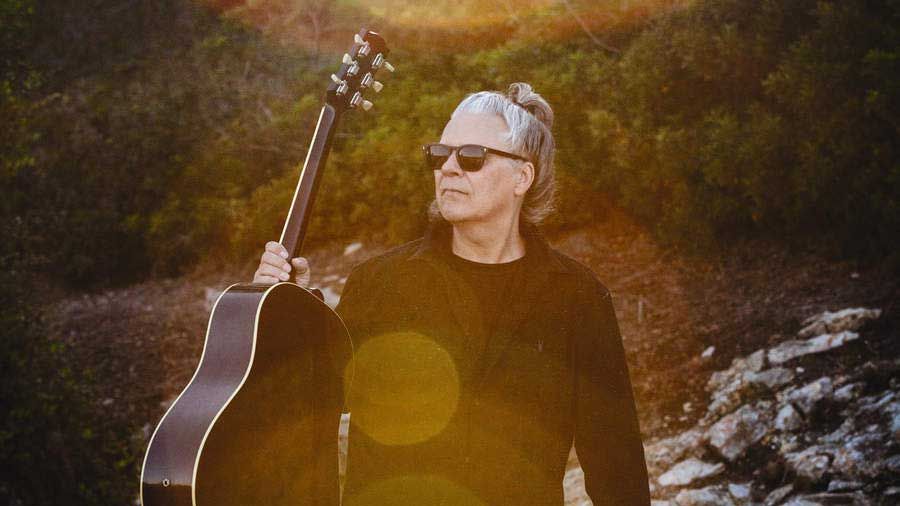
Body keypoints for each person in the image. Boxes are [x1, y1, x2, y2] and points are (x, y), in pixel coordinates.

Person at [253, 83, 651, 505]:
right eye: (440, 155)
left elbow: (615, 460)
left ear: (523, 176)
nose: (449, 169)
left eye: (473, 157)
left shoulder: (578, 298)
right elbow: (306, 406)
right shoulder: (380, 283)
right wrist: (285, 316)